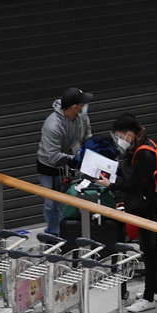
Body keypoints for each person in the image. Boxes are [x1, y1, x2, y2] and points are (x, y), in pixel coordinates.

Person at [96, 114, 157, 313]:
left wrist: (111, 184)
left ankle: (149, 297)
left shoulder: (142, 153)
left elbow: (134, 185)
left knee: (149, 252)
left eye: (118, 136)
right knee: (154, 249)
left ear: (128, 134)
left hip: (146, 209)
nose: (117, 140)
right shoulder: (147, 144)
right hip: (151, 205)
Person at [36, 87, 93, 235]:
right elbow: (53, 156)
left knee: (69, 200)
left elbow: (87, 135)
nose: (85, 106)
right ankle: (53, 235)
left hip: (70, 162)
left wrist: (90, 152)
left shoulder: (82, 116)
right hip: (49, 167)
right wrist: (76, 160)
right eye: (83, 104)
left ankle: (67, 233)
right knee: (52, 204)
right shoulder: (52, 126)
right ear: (75, 107)